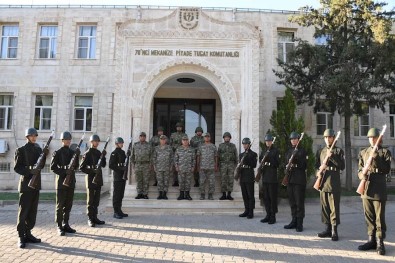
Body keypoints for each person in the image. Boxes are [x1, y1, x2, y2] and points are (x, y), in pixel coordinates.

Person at [357, 127, 391, 256]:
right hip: (366, 187)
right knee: (369, 216)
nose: (372, 140)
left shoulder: (384, 152)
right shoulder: (364, 152)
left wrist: (376, 158)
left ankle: (380, 241)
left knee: (379, 217)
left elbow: (387, 169)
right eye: (370, 138)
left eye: (374, 137)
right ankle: (371, 240)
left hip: (379, 188)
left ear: (379, 138)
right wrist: (362, 176)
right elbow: (359, 170)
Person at [14, 128, 48, 248]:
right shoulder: (21, 150)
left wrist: (44, 156)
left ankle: (28, 233)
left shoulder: (38, 149)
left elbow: (41, 166)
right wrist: (29, 171)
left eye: (35, 135)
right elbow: (17, 167)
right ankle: (21, 236)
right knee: (24, 211)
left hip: (36, 185)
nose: (34, 137)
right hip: (25, 185)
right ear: (27, 137)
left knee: (32, 212)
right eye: (31, 136)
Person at [315, 129, 345, 241]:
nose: (328, 139)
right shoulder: (321, 151)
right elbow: (316, 165)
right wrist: (318, 173)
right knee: (325, 206)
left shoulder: (338, 151)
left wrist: (331, 156)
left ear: (333, 138)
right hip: (323, 181)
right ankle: (327, 228)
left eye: (330, 137)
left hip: (334, 181)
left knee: (334, 207)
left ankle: (334, 230)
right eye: (326, 137)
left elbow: (342, 166)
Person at [50, 131, 80, 236]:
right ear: (62, 140)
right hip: (61, 182)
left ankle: (66, 224)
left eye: (69, 139)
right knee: (60, 205)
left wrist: (77, 156)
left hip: (71, 181)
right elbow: (52, 167)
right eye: (66, 139)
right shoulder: (57, 152)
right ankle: (59, 226)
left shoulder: (72, 152)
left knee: (68, 205)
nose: (68, 141)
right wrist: (64, 172)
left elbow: (76, 167)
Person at [79, 134, 107, 227]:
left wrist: (103, 156)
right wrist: (91, 171)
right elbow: (81, 167)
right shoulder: (87, 153)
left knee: (96, 200)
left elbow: (103, 165)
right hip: (91, 178)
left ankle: (95, 217)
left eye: (98, 141)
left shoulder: (99, 153)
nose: (97, 142)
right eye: (95, 141)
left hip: (98, 178)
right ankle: (90, 218)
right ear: (91, 142)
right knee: (90, 200)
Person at [283, 132, 307, 232]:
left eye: (295, 139)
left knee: (299, 203)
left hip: (299, 180)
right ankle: (293, 221)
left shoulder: (302, 151)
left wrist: (296, 159)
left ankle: (299, 223)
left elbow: (304, 165)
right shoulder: (289, 151)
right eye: (292, 139)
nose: (293, 140)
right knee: (292, 202)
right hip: (290, 179)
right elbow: (285, 164)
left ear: (298, 140)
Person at [257, 134, 280, 224]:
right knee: (266, 197)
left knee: (272, 197)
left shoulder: (275, 151)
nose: (268, 142)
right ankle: (267, 215)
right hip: (265, 177)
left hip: (272, 177)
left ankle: (273, 216)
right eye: (266, 141)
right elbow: (260, 160)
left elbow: (277, 163)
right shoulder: (264, 151)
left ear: (272, 142)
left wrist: (269, 159)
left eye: (269, 141)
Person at [237, 137, 257, 219]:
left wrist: (247, 157)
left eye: (246, 144)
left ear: (249, 144)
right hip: (243, 175)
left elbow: (254, 165)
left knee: (250, 195)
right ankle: (246, 210)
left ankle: (251, 212)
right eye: (244, 144)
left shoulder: (253, 154)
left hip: (249, 175)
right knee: (244, 194)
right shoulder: (241, 154)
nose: (245, 145)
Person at [109, 137, 128, 219]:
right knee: (116, 195)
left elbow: (125, 163)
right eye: (120, 143)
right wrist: (121, 169)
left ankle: (119, 210)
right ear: (117, 144)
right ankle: (115, 212)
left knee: (121, 194)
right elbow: (111, 165)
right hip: (117, 176)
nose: (122, 144)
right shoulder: (114, 153)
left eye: (122, 143)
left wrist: (128, 155)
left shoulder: (123, 152)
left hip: (122, 177)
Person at [197, 133, 218, 200]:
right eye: (205, 137)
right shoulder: (200, 146)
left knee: (211, 182)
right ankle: (202, 194)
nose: (207, 138)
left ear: (210, 138)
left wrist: (216, 165)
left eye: (208, 137)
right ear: (204, 138)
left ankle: (210, 194)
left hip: (211, 167)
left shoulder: (213, 146)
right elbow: (198, 156)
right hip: (202, 167)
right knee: (202, 181)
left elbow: (216, 156)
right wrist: (197, 165)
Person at [217, 132, 238, 200]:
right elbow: (218, 156)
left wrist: (236, 164)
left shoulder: (233, 146)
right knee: (223, 179)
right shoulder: (220, 145)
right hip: (223, 164)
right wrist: (217, 165)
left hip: (231, 164)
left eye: (228, 137)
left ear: (230, 138)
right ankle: (223, 194)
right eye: (225, 137)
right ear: (224, 138)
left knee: (230, 179)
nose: (227, 138)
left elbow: (236, 155)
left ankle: (229, 194)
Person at [131, 132, 152, 199]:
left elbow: (151, 155)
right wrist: (133, 164)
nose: (142, 137)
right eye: (141, 136)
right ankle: (139, 193)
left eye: (144, 136)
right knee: (139, 180)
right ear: (139, 137)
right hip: (138, 164)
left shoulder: (149, 145)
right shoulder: (135, 145)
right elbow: (132, 156)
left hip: (146, 165)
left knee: (146, 180)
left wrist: (151, 165)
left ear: (145, 137)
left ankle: (145, 194)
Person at [153, 135, 174, 200]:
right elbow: (154, 158)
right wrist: (154, 166)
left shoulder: (169, 148)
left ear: (166, 140)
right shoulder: (156, 148)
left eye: (164, 139)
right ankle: (160, 194)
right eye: (161, 139)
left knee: (166, 181)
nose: (163, 140)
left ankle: (164, 194)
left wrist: (171, 166)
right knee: (160, 181)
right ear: (160, 140)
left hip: (167, 167)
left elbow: (172, 158)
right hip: (159, 167)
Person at [174, 135, 195, 200]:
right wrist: (176, 166)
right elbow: (175, 159)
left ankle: (187, 195)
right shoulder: (178, 149)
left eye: (186, 140)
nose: (185, 141)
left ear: (188, 141)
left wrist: (193, 166)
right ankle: (181, 195)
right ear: (182, 141)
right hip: (181, 168)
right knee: (181, 181)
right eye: (184, 140)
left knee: (188, 182)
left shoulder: (191, 149)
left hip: (189, 168)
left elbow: (193, 159)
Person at [170, 122, 187, 186]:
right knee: (175, 168)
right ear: (176, 128)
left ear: (182, 128)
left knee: (182, 168)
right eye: (178, 127)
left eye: (180, 127)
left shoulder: (184, 135)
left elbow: (186, 144)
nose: (179, 128)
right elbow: (170, 144)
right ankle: (175, 181)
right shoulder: (173, 135)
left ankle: (182, 181)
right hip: (174, 153)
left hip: (183, 154)